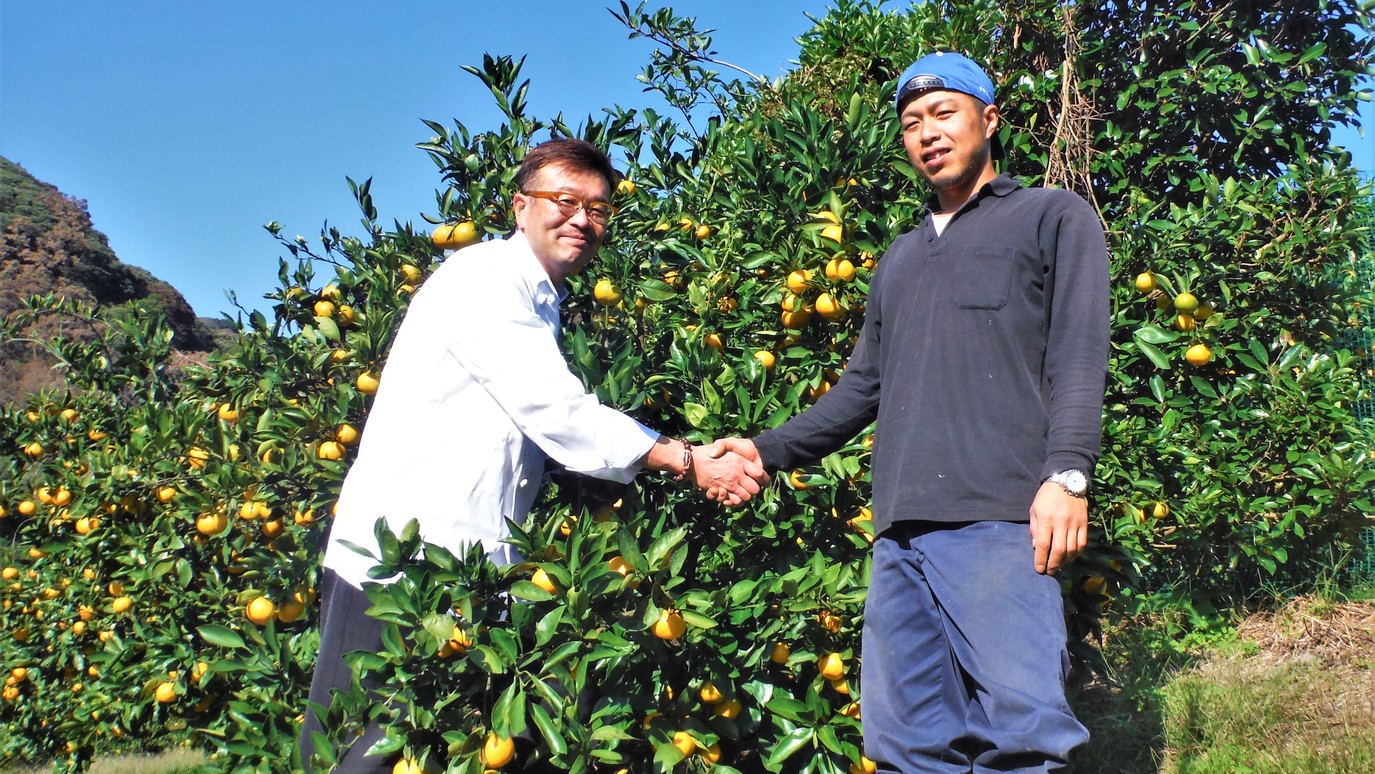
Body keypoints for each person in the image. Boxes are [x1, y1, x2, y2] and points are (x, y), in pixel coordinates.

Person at [299, 138, 767, 772]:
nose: (582, 220)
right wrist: (687, 460)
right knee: (367, 752)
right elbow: (556, 412)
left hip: (471, 570)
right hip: (397, 567)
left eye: (598, 210)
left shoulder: (542, 301)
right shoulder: (483, 279)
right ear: (521, 207)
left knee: (453, 750)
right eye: (564, 201)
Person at [715, 52, 1109, 771]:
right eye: (910, 123)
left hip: (999, 520)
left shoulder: (1049, 216)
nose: (927, 132)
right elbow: (862, 386)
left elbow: (1079, 355)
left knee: (1022, 735)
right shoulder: (898, 255)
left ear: (987, 120)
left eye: (943, 113)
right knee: (903, 745)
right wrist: (763, 451)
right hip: (898, 534)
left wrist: (1068, 476)